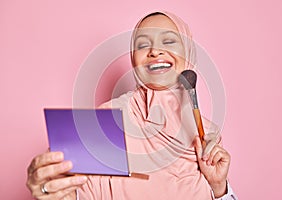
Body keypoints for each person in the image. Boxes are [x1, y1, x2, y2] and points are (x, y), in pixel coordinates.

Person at [26, 11, 237, 200]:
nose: (155, 51)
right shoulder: (106, 119)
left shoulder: (207, 136)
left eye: (169, 41)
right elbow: (76, 193)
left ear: (189, 53)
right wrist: (51, 190)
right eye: (143, 44)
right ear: (133, 59)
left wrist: (219, 188)